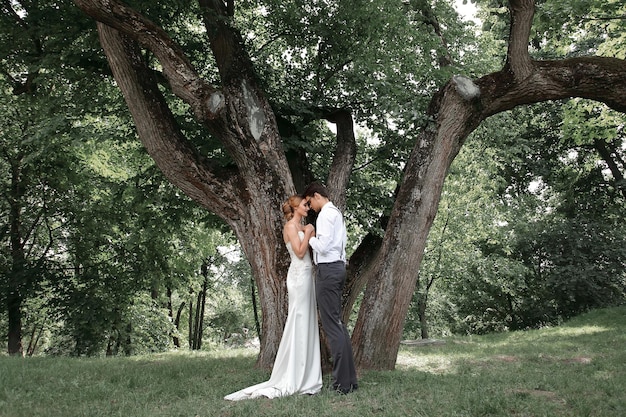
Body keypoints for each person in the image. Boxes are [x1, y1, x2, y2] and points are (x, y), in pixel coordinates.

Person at [224, 195, 322, 401]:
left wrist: (307, 230)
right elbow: (299, 251)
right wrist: (310, 231)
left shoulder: (300, 227)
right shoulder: (290, 227)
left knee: (306, 320)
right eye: (304, 205)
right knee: (299, 319)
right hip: (299, 276)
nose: (307, 207)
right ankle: (296, 373)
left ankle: (307, 373)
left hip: (306, 275)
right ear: (295, 208)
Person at [302, 182, 358, 394]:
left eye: (309, 202)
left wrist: (310, 238)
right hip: (338, 268)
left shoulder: (325, 215)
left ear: (316, 196)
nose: (310, 207)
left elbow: (323, 246)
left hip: (328, 270)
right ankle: (349, 380)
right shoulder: (337, 213)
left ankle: (342, 384)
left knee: (332, 327)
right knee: (338, 325)